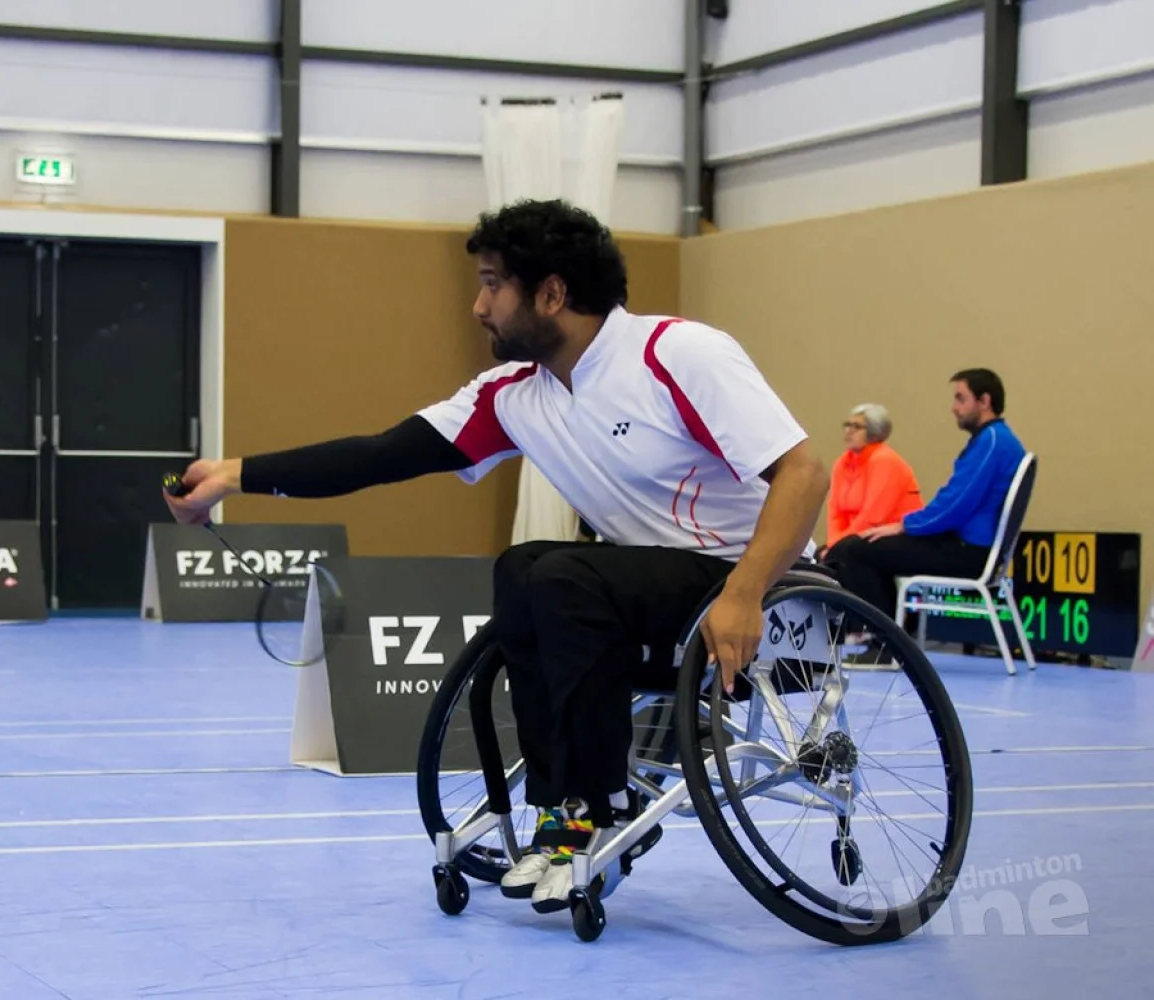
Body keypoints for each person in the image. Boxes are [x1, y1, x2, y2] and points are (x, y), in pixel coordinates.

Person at [164, 199, 828, 914]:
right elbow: (380, 455)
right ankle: (560, 815)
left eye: (491, 285)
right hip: (647, 593)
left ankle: (598, 808)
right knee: (523, 569)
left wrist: (745, 592)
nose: (478, 307)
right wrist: (236, 473)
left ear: (551, 293)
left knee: (568, 573)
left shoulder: (677, 354)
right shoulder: (514, 395)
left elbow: (803, 473)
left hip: (768, 589)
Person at [825, 369, 1025, 628]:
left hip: (969, 551)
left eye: (960, 398)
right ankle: (891, 638)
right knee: (860, 547)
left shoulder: (993, 442)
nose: (954, 408)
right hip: (967, 546)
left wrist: (904, 526)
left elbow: (954, 505)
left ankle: (884, 644)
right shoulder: (995, 440)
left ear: (984, 401)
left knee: (855, 551)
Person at [817, 403, 922, 561]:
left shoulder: (884, 460)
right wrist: (833, 543)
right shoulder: (842, 463)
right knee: (820, 554)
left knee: (846, 555)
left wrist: (838, 547)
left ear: (874, 432)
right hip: (857, 538)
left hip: (891, 536)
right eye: (847, 425)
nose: (849, 431)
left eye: (857, 427)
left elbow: (872, 517)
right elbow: (836, 513)